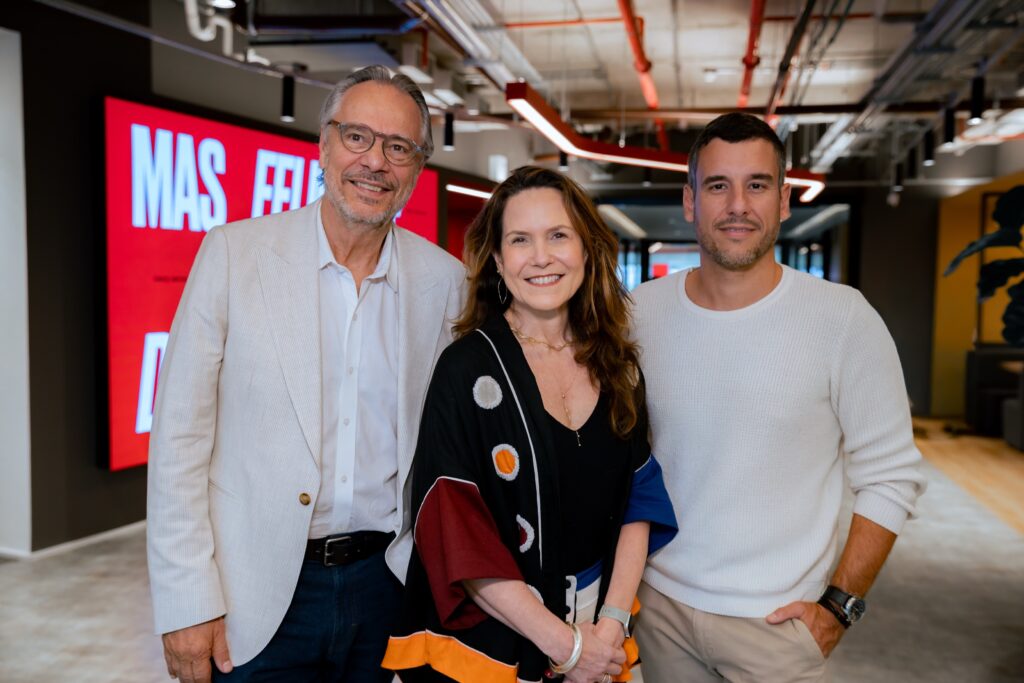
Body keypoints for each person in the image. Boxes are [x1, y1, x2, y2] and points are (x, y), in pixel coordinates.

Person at [147, 65, 466, 683]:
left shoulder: (446, 282)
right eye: (357, 137)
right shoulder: (234, 254)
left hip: (387, 587)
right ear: (324, 143)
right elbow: (179, 440)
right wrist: (187, 600)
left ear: (418, 167)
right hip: (255, 597)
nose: (375, 162)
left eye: (398, 147)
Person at [631, 112, 927, 682]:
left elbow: (891, 477)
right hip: (659, 610)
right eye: (718, 185)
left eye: (758, 185)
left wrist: (839, 607)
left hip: (777, 624)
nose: (738, 205)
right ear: (690, 200)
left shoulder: (843, 320)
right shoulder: (639, 313)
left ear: (784, 200)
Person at [382, 166, 677, 683]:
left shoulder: (617, 365)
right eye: (520, 240)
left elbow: (638, 497)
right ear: (498, 260)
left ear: (586, 249)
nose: (541, 257)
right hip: (492, 643)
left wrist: (611, 624)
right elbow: (456, 535)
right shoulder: (465, 370)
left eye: (558, 235)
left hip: (598, 634)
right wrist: (568, 647)